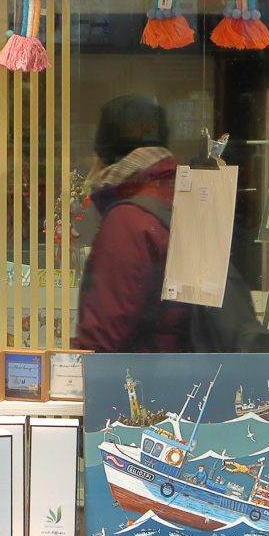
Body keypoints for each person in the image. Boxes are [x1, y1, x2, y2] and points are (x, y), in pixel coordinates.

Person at [71, 96, 192, 353]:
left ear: (106, 153)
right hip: (191, 369)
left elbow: (102, 332)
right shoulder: (187, 192)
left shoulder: (129, 217)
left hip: (143, 376)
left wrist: (69, 376)